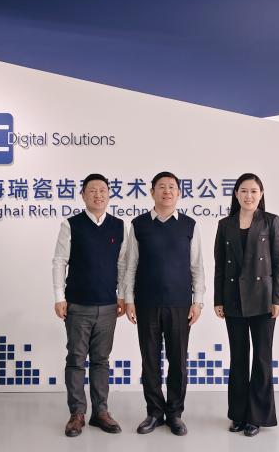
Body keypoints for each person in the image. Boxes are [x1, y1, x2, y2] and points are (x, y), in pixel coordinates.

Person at [124, 171, 205, 436]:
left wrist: (198, 301)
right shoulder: (138, 225)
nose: (167, 191)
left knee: (178, 361)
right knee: (150, 360)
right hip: (146, 303)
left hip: (180, 304)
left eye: (172, 187)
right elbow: (130, 266)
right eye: (161, 187)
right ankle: (154, 413)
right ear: (152, 192)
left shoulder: (189, 226)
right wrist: (129, 299)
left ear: (179, 193)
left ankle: (175, 414)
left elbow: (197, 267)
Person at [52, 173, 127, 437]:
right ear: (83, 195)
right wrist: (59, 297)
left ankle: (101, 412)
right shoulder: (71, 224)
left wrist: (122, 296)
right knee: (75, 359)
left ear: (109, 195)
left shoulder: (119, 226)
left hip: (108, 305)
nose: (98, 195)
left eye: (103, 190)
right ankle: (77, 413)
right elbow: (59, 261)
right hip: (77, 305)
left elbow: (122, 264)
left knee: (101, 361)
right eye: (92, 190)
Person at [213, 173, 279, 437]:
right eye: (244, 191)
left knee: (262, 358)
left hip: (263, 300)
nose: (248, 196)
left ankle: (257, 417)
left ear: (261, 194)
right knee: (238, 358)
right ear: (236, 194)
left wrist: (277, 299)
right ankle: (239, 414)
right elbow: (220, 265)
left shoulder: (270, 221)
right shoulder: (225, 224)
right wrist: (218, 299)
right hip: (233, 299)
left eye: (254, 191)